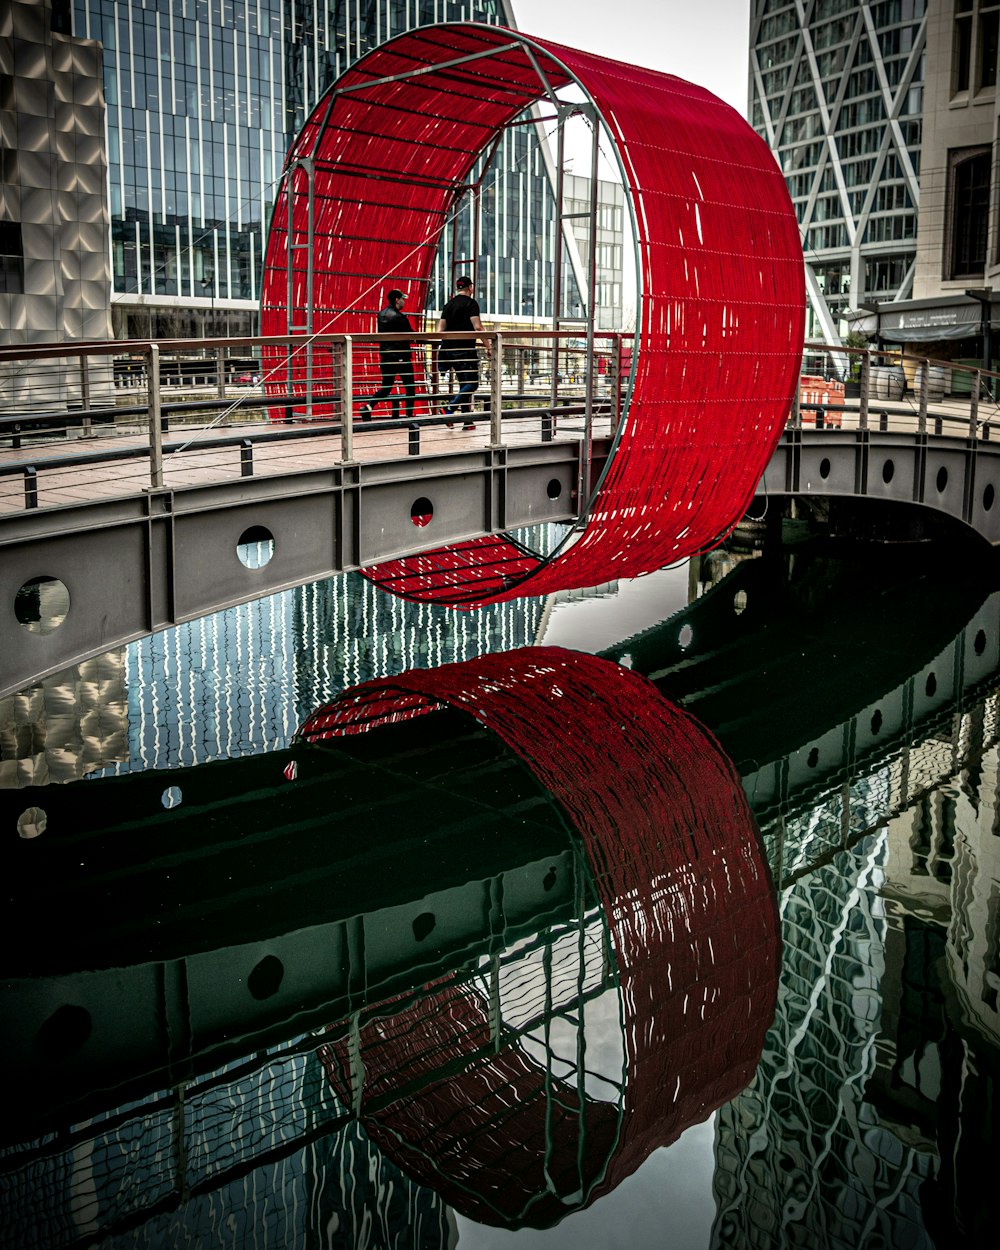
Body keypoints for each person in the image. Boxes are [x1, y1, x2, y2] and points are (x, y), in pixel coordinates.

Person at [435, 275, 491, 430]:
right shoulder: (471, 304)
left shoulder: (448, 305)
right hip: (465, 351)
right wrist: (489, 346)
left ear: (458, 288)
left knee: (464, 385)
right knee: (472, 384)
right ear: (470, 288)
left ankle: (467, 421)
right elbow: (478, 327)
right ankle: (449, 409)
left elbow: (441, 330)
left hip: (449, 351)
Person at [360, 288, 416, 422]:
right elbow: (411, 334)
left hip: (386, 356)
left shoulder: (380, 315)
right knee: (410, 386)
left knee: (386, 387)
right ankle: (409, 415)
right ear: (397, 300)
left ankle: (368, 406)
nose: (404, 302)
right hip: (401, 357)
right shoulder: (400, 317)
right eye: (402, 299)